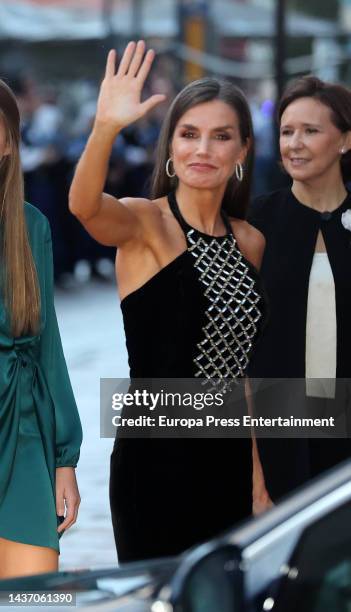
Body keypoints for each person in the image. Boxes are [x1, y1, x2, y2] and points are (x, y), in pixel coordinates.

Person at [69, 40, 267, 562]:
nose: (203, 149)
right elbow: (84, 206)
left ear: (243, 150)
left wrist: (259, 481)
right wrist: (105, 127)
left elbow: (244, 376)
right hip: (154, 461)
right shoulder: (144, 222)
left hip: (226, 459)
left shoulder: (250, 242)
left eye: (221, 137)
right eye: (189, 134)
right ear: (171, 148)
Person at [249, 75, 351, 502]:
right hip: (277, 430)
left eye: (311, 131)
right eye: (287, 132)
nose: (295, 144)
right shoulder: (255, 223)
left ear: (345, 140)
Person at [0, 80, 82, 578]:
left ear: (9, 141)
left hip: (24, 432)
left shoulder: (32, 226)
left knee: (38, 595)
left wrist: (65, 460)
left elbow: (48, 347)